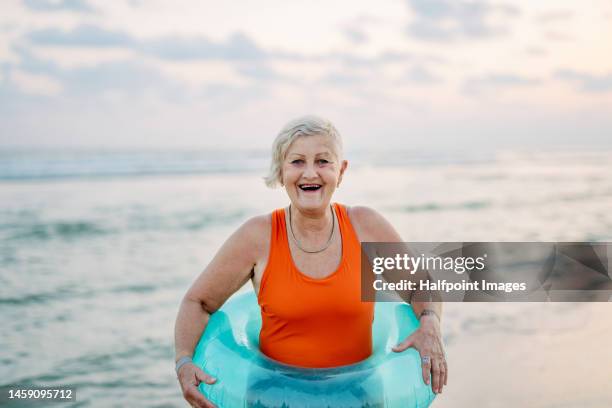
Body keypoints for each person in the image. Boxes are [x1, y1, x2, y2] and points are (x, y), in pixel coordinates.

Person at [174, 115, 447, 408]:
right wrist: (184, 361)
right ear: (280, 172)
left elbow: (421, 285)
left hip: (360, 398)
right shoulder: (257, 236)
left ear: (340, 171)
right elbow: (198, 301)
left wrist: (430, 323)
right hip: (273, 400)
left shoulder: (365, 226)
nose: (310, 174)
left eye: (322, 161)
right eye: (297, 162)